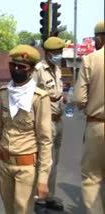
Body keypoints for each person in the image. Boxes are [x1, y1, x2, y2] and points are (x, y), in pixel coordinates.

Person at [0, 45, 52, 214]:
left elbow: (45, 141)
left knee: (22, 210)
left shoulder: (39, 98)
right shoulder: (4, 94)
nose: (16, 69)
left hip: (27, 167)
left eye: (21, 67)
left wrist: (43, 178)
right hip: (4, 164)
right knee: (9, 210)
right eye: (13, 65)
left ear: (30, 71)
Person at [74, 20, 105, 214]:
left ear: (100, 37)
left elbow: (79, 99)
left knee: (92, 177)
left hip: (98, 126)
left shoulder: (91, 59)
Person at [33, 36, 66, 211]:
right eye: (55, 53)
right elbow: (30, 96)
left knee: (55, 161)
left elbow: (57, 92)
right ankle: (39, 198)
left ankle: (49, 196)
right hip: (45, 122)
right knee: (46, 161)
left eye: (60, 52)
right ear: (47, 53)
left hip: (59, 120)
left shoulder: (57, 69)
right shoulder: (38, 70)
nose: (58, 55)